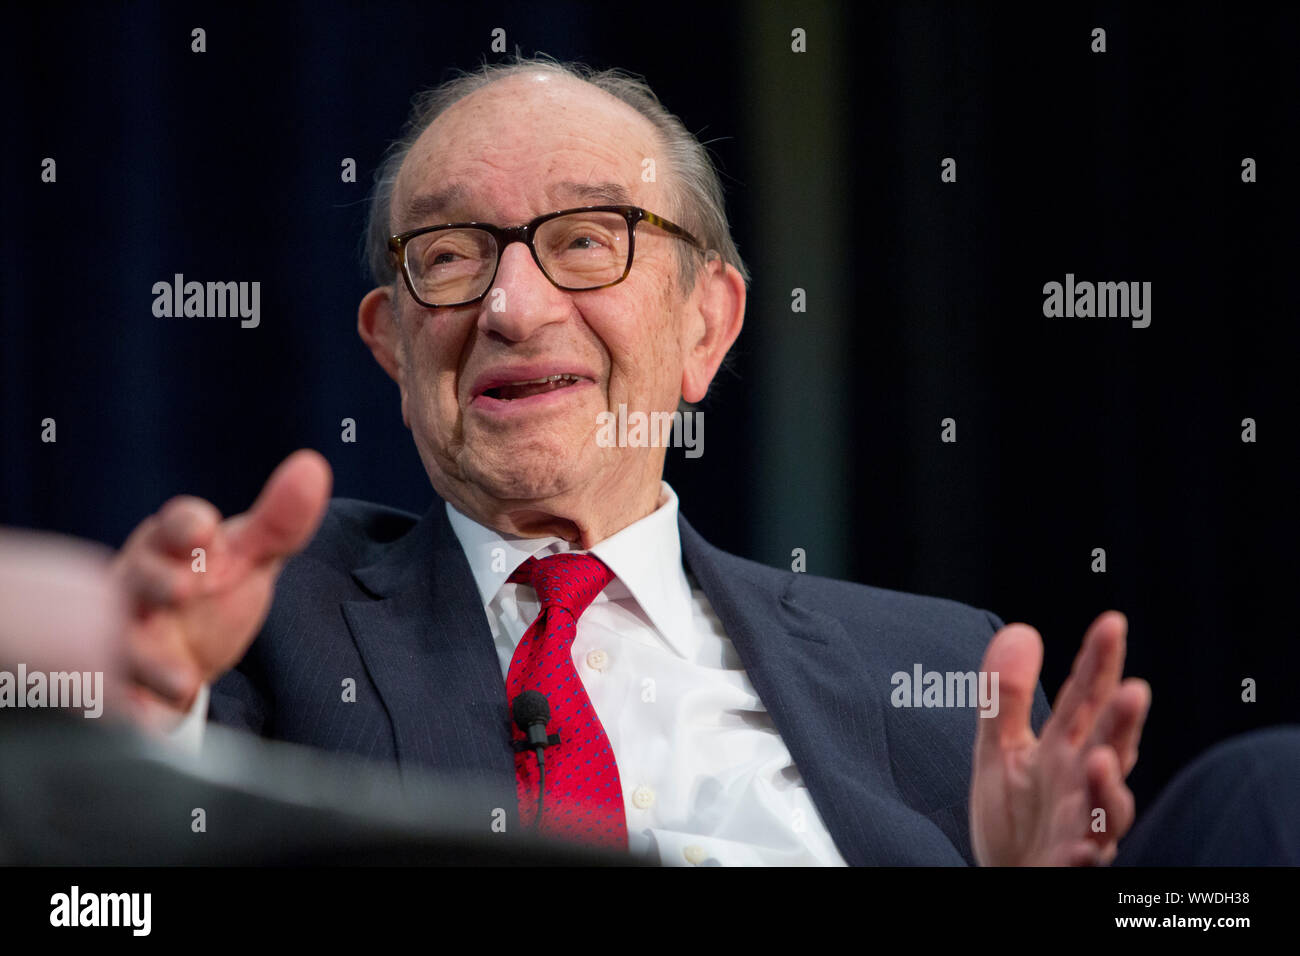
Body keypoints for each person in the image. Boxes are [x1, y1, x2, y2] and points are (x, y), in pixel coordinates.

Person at [109, 56, 1153, 866]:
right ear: (390, 345)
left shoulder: (933, 671)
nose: (511, 307)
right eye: (451, 254)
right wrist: (149, 724)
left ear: (708, 322)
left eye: (583, 239)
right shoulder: (268, 623)